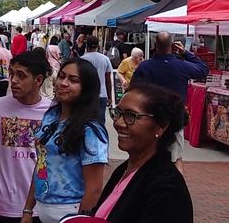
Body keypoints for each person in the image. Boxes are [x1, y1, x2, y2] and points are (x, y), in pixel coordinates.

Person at [22, 59, 109, 223]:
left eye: (73, 80)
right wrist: (28, 209)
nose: (63, 83)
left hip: (71, 210)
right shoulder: (50, 117)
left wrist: (80, 219)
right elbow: (42, 163)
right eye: (61, 77)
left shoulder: (90, 130)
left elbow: (94, 188)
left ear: (87, 88)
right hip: (41, 210)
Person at [93, 84, 192, 222]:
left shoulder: (166, 187)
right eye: (118, 113)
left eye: (131, 115)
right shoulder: (125, 170)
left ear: (161, 126)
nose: (119, 123)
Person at [0, 52, 51, 223]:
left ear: (38, 80)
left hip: (40, 203)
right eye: (12, 73)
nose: (13, 80)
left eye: (21, 76)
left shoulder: (53, 111)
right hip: (4, 202)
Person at [131, 31, 208, 174]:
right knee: (176, 158)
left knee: (147, 156)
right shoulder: (181, 66)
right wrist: (186, 53)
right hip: (174, 118)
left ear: (155, 46)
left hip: (150, 117)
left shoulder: (145, 67)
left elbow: (133, 90)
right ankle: (177, 190)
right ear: (172, 46)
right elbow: (203, 70)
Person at [81, 36, 114, 124]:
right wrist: (110, 96)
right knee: (100, 121)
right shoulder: (105, 59)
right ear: (98, 45)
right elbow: (108, 79)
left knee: (86, 121)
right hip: (102, 94)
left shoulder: (83, 59)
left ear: (87, 45)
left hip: (87, 94)